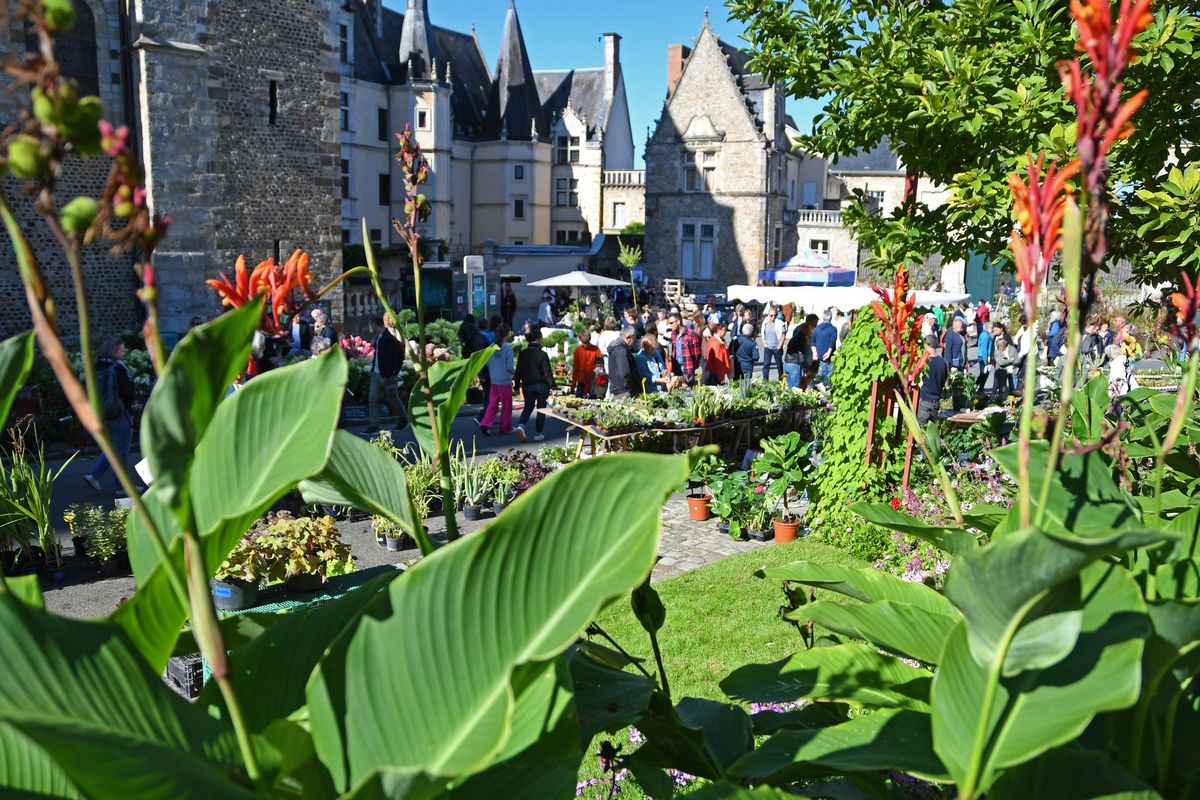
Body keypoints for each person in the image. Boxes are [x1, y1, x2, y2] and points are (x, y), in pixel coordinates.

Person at [83, 336, 137, 492]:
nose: (124, 351)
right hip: (120, 412)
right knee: (121, 452)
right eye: (121, 349)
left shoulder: (97, 366)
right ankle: (121, 487)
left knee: (114, 448)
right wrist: (133, 398)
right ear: (113, 351)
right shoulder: (118, 368)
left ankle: (94, 475)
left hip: (103, 412)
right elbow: (126, 392)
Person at [367, 314, 407, 432]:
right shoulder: (380, 337)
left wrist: (393, 372)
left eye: (371, 325)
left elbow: (399, 353)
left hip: (387, 374)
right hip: (376, 373)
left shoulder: (388, 338)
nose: (371, 328)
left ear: (374, 324)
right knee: (372, 399)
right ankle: (374, 424)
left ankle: (403, 419)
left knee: (393, 397)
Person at [514, 331, 552, 442]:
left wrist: (516, 385)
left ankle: (521, 425)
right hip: (542, 385)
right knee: (541, 408)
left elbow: (518, 371)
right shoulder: (543, 354)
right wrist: (553, 386)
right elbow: (547, 373)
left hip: (527, 385)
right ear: (539, 338)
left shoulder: (523, 353)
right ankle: (538, 433)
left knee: (528, 406)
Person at [478, 324, 515, 435]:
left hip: (494, 380)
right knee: (507, 406)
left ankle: (485, 423)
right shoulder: (508, 349)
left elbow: (487, 363)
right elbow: (509, 367)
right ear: (508, 334)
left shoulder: (491, 347)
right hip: (505, 381)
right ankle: (505, 427)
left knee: (492, 404)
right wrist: (513, 372)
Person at [917, 335, 949, 426]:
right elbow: (946, 383)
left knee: (921, 429)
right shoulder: (943, 362)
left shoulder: (924, 361)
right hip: (936, 401)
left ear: (926, 344)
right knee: (931, 429)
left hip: (925, 399)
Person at [668, 314, 701, 385]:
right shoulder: (673, 334)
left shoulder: (691, 334)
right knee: (677, 389)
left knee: (688, 389)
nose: (670, 325)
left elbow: (697, 354)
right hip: (676, 366)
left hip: (687, 366)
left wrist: (693, 366)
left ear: (678, 322)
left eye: (671, 323)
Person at [607, 326, 639, 398]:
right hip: (623, 391)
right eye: (634, 339)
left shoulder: (616, 348)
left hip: (616, 388)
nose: (634, 342)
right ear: (628, 338)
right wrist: (631, 388)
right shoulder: (621, 350)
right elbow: (624, 372)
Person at [571, 329, 602, 397]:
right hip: (585, 381)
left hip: (591, 381)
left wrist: (573, 383)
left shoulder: (595, 349)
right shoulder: (595, 349)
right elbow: (576, 368)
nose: (585, 346)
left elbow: (600, 368)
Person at [811, 309, 839, 385]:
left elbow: (813, 342)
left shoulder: (817, 328)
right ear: (831, 317)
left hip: (819, 354)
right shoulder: (833, 329)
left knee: (822, 372)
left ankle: (821, 385)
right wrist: (829, 352)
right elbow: (832, 342)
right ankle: (826, 387)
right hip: (829, 355)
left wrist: (815, 352)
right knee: (829, 372)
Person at [783, 314, 808, 389]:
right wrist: (805, 367)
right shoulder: (801, 340)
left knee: (788, 386)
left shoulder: (793, 338)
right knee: (795, 388)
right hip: (794, 365)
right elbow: (800, 356)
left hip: (787, 362)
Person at [991, 334, 1018, 399]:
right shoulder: (997, 352)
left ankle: (1012, 400)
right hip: (1001, 371)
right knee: (1001, 387)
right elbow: (1000, 362)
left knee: (1012, 387)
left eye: (1001, 346)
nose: (1000, 348)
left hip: (1010, 370)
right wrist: (1010, 360)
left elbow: (1016, 359)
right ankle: (999, 399)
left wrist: (1012, 362)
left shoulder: (1011, 349)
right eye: (998, 346)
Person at [761, 307, 784, 380]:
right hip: (768, 348)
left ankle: (781, 380)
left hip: (777, 348)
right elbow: (762, 333)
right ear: (768, 315)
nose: (773, 317)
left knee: (779, 365)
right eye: (771, 315)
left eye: (775, 315)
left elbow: (783, 335)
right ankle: (765, 381)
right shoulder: (765, 323)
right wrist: (764, 343)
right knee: (766, 365)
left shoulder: (780, 323)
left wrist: (779, 346)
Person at [976, 322, 993, 391]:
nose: (992, 329)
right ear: (988, 328)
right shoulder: (985, 336)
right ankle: (980, 389)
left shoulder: (985, 334)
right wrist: (986, 362)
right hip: (984, 357)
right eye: (992, 328)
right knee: (984, 374)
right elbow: (984, 349)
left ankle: (978, 388)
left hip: (984, 357)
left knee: (983, 374)